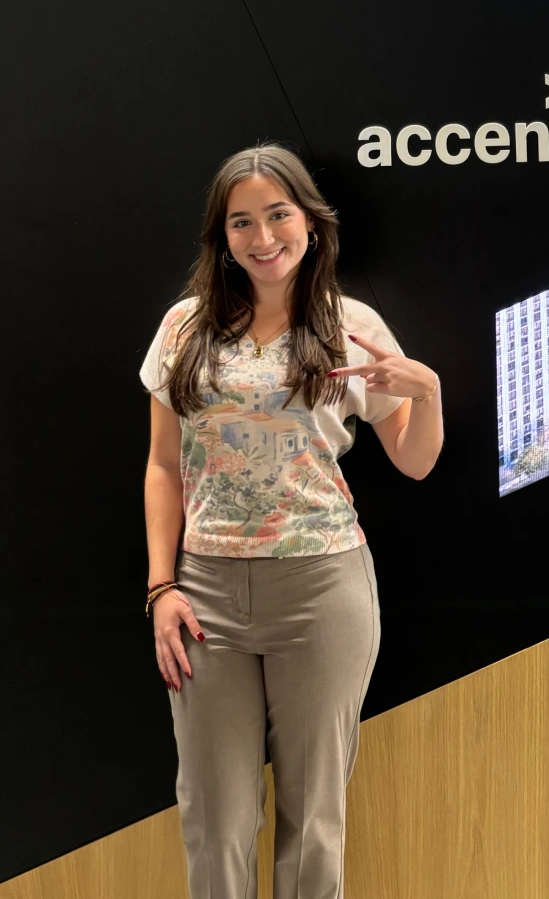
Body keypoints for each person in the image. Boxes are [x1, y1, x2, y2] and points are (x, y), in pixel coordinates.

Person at [141, 144, 443, 899]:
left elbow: (413, 460)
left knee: (314, 823)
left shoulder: (352, 325)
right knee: (214, 819)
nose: (262, 235)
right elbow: (162, 467)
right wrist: (160, 589)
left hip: (323, 590)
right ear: (223, 236)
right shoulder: (185, 328)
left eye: (278, 214)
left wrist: (427, 390)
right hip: (206, 596)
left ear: (310, 222)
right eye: (241, 221)